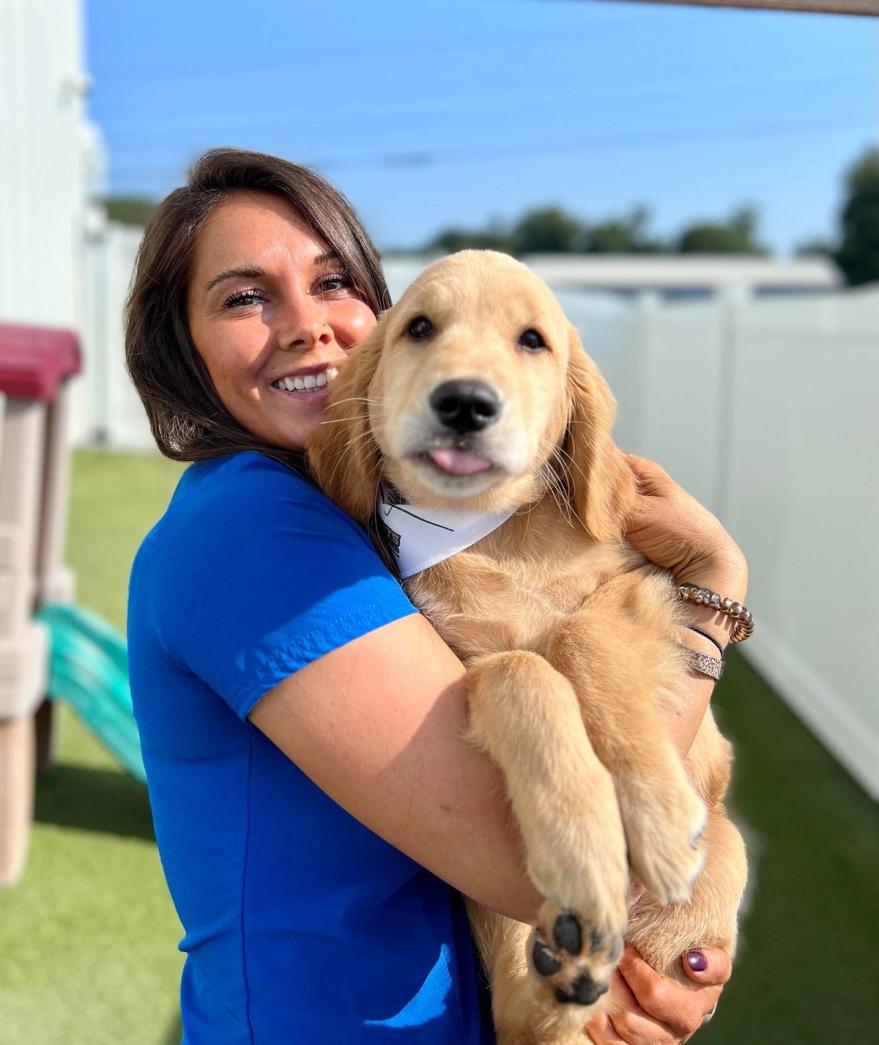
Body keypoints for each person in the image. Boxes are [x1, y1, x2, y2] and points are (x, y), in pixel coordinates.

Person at [125, 148, 746, 1044]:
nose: (307, 327)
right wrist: (716, 584)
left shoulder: (356, 516)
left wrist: (665, 956)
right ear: (183, 345)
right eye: (243, 297)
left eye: (333, 280)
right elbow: (537, 872)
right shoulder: (250, 529)